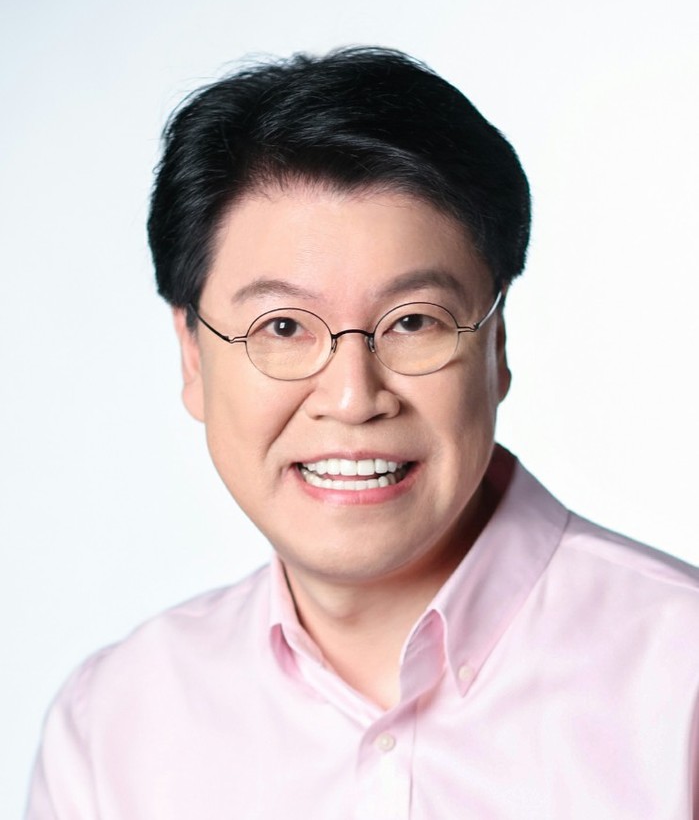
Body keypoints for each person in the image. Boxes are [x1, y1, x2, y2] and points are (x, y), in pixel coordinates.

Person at [26, 47, 699, 819]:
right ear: (192, 354)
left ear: (496, 342)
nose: (352, 398)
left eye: (412, 322)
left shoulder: (680, 682)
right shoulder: (113, 729)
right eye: (282, 327)